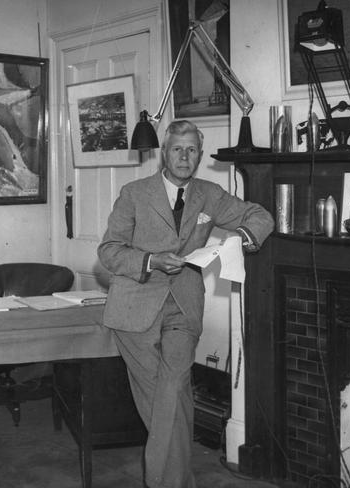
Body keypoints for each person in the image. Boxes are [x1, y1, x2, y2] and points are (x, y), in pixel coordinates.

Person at [97, 120, 273, 488]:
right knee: (167, 400)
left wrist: (238, 240)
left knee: (173, 388)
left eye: (192, 150)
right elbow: (109, 252)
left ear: (199, 155)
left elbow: (260, 217)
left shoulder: (209, 194)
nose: (184, 157)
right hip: (134, 306)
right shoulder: (134, 193)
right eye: (178, 148)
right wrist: (150, 260)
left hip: (184, 305)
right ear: (165, 152)